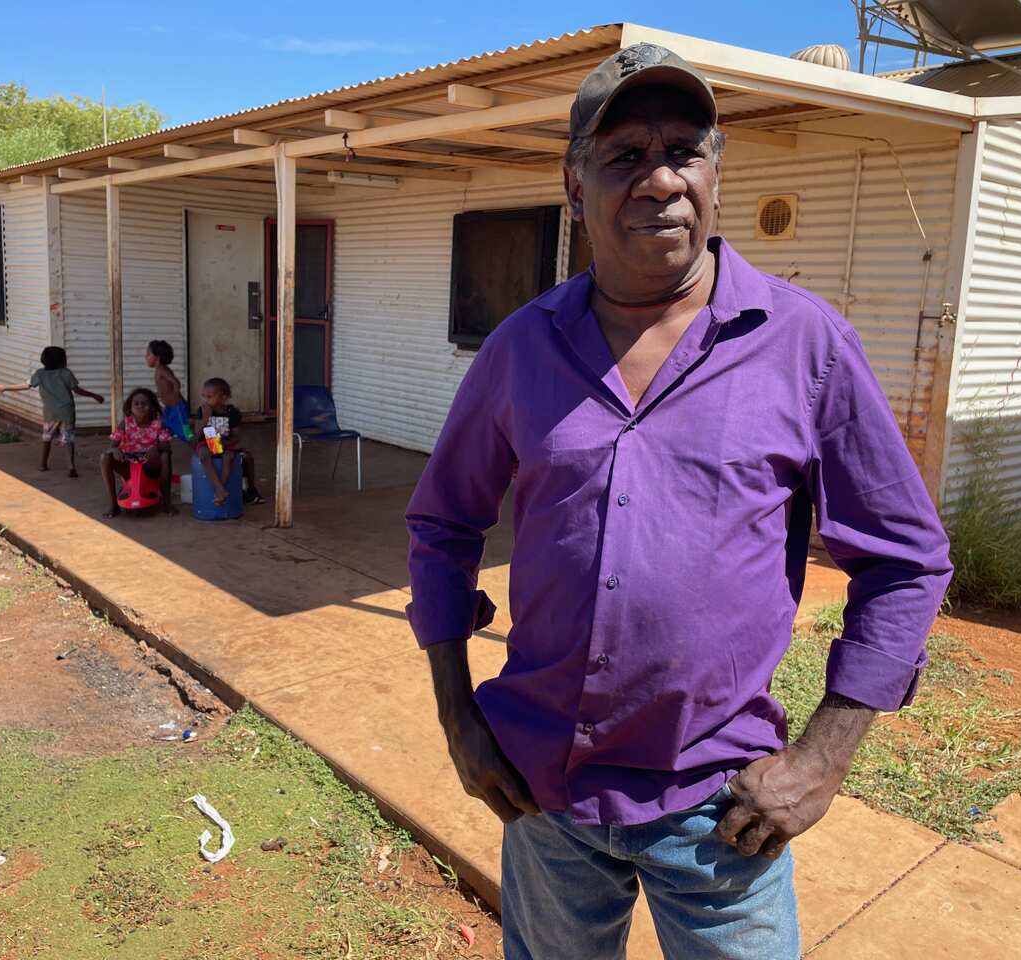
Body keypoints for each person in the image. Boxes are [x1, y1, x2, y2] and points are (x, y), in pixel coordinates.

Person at [405, 43, 953, 960]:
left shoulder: (804, 345)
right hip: (544, 794)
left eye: (682, 151)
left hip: (720, 809)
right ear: (574, 187)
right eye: (623, 156)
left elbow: (906, 559)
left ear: (716, 169)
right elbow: (442, 523)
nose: (659, 179)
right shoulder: (521, 348)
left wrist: (822, 757)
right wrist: (458, 716)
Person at [0, 346, 103, 477]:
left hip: (50, 414)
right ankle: (71, 467)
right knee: (68, 440)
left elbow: (25, 385)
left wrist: (5, 387)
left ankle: (43, 464)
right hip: (67, 413)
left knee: (47, 439)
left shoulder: (40, 374)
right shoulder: (66, 373)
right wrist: (94, 395)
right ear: (62, 361)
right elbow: (77, 390)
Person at [101, 388, 174, 518]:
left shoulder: (158, 424)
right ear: (131, 407)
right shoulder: (126, 423)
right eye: (136, 403)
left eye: (144, 403)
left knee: (165, 456)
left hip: (149, 466)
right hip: (129, 466)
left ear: (151, 407)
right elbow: (111, 447)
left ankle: (167, 503)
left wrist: (156, 448)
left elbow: (167, 447)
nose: (140, 406)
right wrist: (115, 450)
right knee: (105, 457)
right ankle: (114, 504)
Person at [191, 377, 263, 507]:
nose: (206, 400)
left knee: (229, 457)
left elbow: (236, 436)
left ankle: (221, 489)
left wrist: (225, 443)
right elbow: (197, 433)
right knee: (203, 453)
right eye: (204, 396)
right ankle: (219, 488)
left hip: (225, 444)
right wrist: (206, 417)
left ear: (223, 397)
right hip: (208, 443)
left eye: (210, 397)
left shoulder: (232, 413)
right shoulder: (203, 410)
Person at [146, 339, 192, 443]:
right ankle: (162, 454)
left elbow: (176, 383)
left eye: (148, 354)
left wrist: (175, 399)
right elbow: (164, 391)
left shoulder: (162, 369)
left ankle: (213, 448)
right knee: (162, 429)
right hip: (170, 410)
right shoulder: (159, 370)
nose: (146, 357)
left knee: (188, 436)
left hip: (178, 409)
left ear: (157, 357)